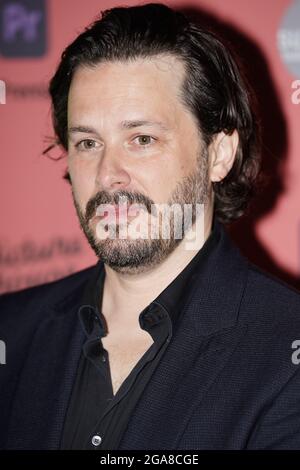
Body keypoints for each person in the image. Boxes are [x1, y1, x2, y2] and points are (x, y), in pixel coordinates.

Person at [1, 2, 300, 450]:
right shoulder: (11, 329)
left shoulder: (284, 351)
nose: (106, 175)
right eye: (87, 142)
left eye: (141, 139)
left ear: (217, 154)